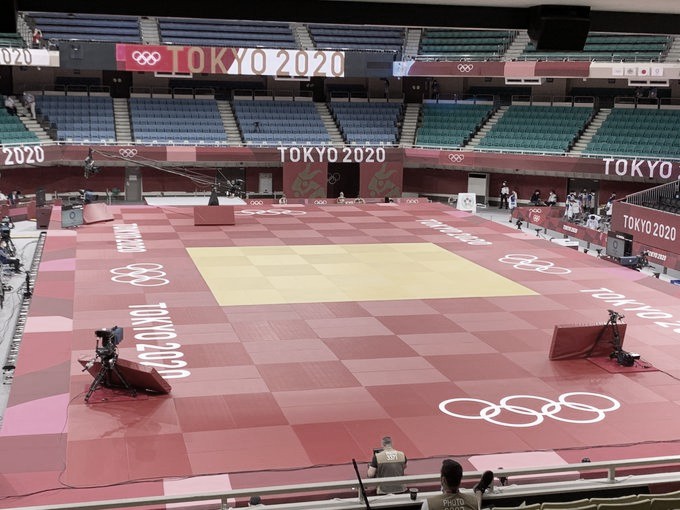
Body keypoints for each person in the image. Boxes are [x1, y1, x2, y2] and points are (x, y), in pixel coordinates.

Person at [421, 459, 494, 510]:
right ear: (461, 478)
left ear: (443, 480)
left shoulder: (429, 504)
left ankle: (479, 491)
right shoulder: (473, 502)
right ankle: (479, 491)